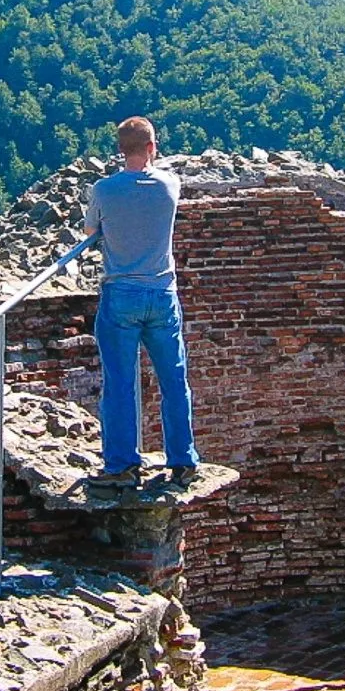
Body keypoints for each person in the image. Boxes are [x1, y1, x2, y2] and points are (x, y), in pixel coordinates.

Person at [84, 116, 200, 490]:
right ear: (153, 147)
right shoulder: (170, 184)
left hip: (121, 294)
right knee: (173, 379)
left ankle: (122, 466)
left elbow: (90, 231)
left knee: (120, 383)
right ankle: (182, 461)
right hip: (162, 293)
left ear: (120, 151)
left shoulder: (104, 190)